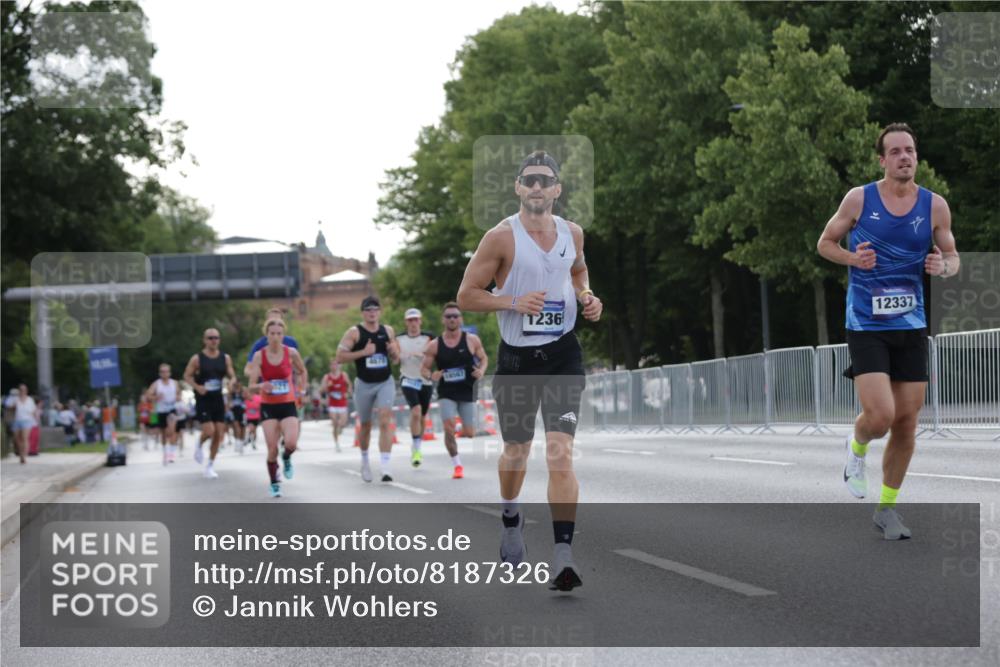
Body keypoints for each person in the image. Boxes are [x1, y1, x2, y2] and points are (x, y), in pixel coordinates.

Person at [457, 150, 602, 592]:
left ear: (557, 189)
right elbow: (466, 296)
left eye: (546, 179)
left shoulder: (572, 233)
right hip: (518, 362)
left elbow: (578, 270)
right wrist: (511, 302)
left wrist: (587, 296)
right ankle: (510, 518)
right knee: (516, 453)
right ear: (519, 188)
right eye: (529, 179)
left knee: (560, 453)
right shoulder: (500, 238)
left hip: (563, 356)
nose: (537, 186)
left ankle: (562, 556)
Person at [817, 122, 959, 540]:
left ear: (917, 156)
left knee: (907, 422)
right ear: (882, 159)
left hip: (911, 324)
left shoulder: (935, 206)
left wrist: (942, 267)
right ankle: (857, 446)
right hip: (866, 323)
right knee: (881, 417)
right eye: (895, 151)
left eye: (910, 150)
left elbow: (952, 258)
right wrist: (851, 260)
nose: (904, 157)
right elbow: (825, 243)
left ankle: (888, 510)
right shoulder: (859, 199)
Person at [335, 296, 400, 482]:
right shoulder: (354, 333)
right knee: (365, 425)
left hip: (385, 381)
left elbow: (396, 359)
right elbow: (339, 357)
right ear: (363, 313)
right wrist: (363, 352)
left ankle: (386, 467)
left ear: (379, 312)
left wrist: (394, 352)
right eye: (368, 309)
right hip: (364, 384)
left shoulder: (388, 331)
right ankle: (364, 461)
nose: (372, 312)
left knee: (385, 419)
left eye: (375, 309)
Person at [421, 303, 488, 479]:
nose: (452, 319)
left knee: (470, 433)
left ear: (461, 319)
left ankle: (459, 425)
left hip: (467, 390)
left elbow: (483, 358)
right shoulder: (434, 345)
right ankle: (457, 465)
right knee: (448, 429)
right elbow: (424, 369)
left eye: (455, 316)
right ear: (443, 320)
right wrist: (431, 375)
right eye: (449, 316)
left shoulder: (472, 340)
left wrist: (481, 370)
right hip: (447, 392)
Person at [247, 318, 308, 498]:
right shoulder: (259, 355)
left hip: (288, 403)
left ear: (283, 335)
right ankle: (274, 483)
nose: (275, 337)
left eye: (279, 334)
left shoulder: (291, 353)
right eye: (272, 333)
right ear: (267, 335)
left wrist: (301, 390)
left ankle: (287, 457)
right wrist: (261, 386)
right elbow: (250, 385)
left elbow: (302, 371)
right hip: (269, 407)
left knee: (291, 443)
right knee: (272, 449)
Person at [183, 328, 237, 479]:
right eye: (210, 338)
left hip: (218, 398)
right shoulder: (197, 359)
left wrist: (231, 383)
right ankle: (199, 444)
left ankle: (210, 466)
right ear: (204, 340)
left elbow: (232, 375)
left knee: (218, 434)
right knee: (209, 431)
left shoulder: (225, 358)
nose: (214, 340)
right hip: (203, 399)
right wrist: (197, 387)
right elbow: (187, 376)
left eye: (216, 338)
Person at [397, 308, 434, 467]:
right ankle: (416, 447)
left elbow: (437, 354)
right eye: (410, 320)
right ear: (406, 322)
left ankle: (417, 443)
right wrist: (398, 356)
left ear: (420, 321)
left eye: (415, 320)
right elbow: (394, 356)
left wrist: (425, 356)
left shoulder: (429, 337)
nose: (413, 323)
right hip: (407, 379)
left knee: (423, 415)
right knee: (416, 411)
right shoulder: (399, 338)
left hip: (425, 380)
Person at [243, 307, 300, 377]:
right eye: (271, 321)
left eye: (278, 320)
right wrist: (264, 374)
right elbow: (247, 370)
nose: (275, 324)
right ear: (266, 324)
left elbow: (299, 369)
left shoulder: (291, 343)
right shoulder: (259, 345)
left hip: (288, 385)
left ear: (283, 323)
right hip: (266, 385)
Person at [146, 364, 181, 465]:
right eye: (162, 371)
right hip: (161, 411)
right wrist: (156, 397)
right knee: (164, 433)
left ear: (169, 373)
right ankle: (165, 451)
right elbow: (148, 395)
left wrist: (178, 397)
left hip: (172, 409)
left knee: (172, 431)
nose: (164, 373)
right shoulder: (156, 384)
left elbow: (179, 393)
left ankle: (172, 453)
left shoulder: (174, 383)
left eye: (166, 371)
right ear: (160, 373)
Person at [321, 358, 352, 452]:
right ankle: (337, 444)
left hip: (342, 403)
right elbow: (322, 390)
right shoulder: (327, 377)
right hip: (332, 404)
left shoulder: (344, 375)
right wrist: (327, 386)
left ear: (339, 366)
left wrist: (348, 393)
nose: (334, 366)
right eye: (332, 364)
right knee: (334, 423)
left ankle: (340, 429)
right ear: (330, 366)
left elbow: (349, 385)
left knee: (342, 423)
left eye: (336, 364)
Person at [11, 384, 39, 464]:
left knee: (24, 438)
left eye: (24, 389)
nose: (22, 391)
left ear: (26, 391)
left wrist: (35, 420)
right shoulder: (16, 399)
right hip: (17, 420)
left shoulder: (30, 400)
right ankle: (21, 454)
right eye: (21, 389)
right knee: (17, 439)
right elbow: (11, 409)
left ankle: (24, 457)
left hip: (27, 420)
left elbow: (34, 411)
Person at [229, 379, 247, 453]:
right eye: (236, 383)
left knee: (243, 428)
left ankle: (241, 444)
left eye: (239, 383)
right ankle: (237, 443)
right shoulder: (231, 392)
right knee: (237, 428)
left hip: (243, 412)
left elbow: (249, 398)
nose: (238, 385)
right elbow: (228, 401)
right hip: (234, 412)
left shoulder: (243, 391)